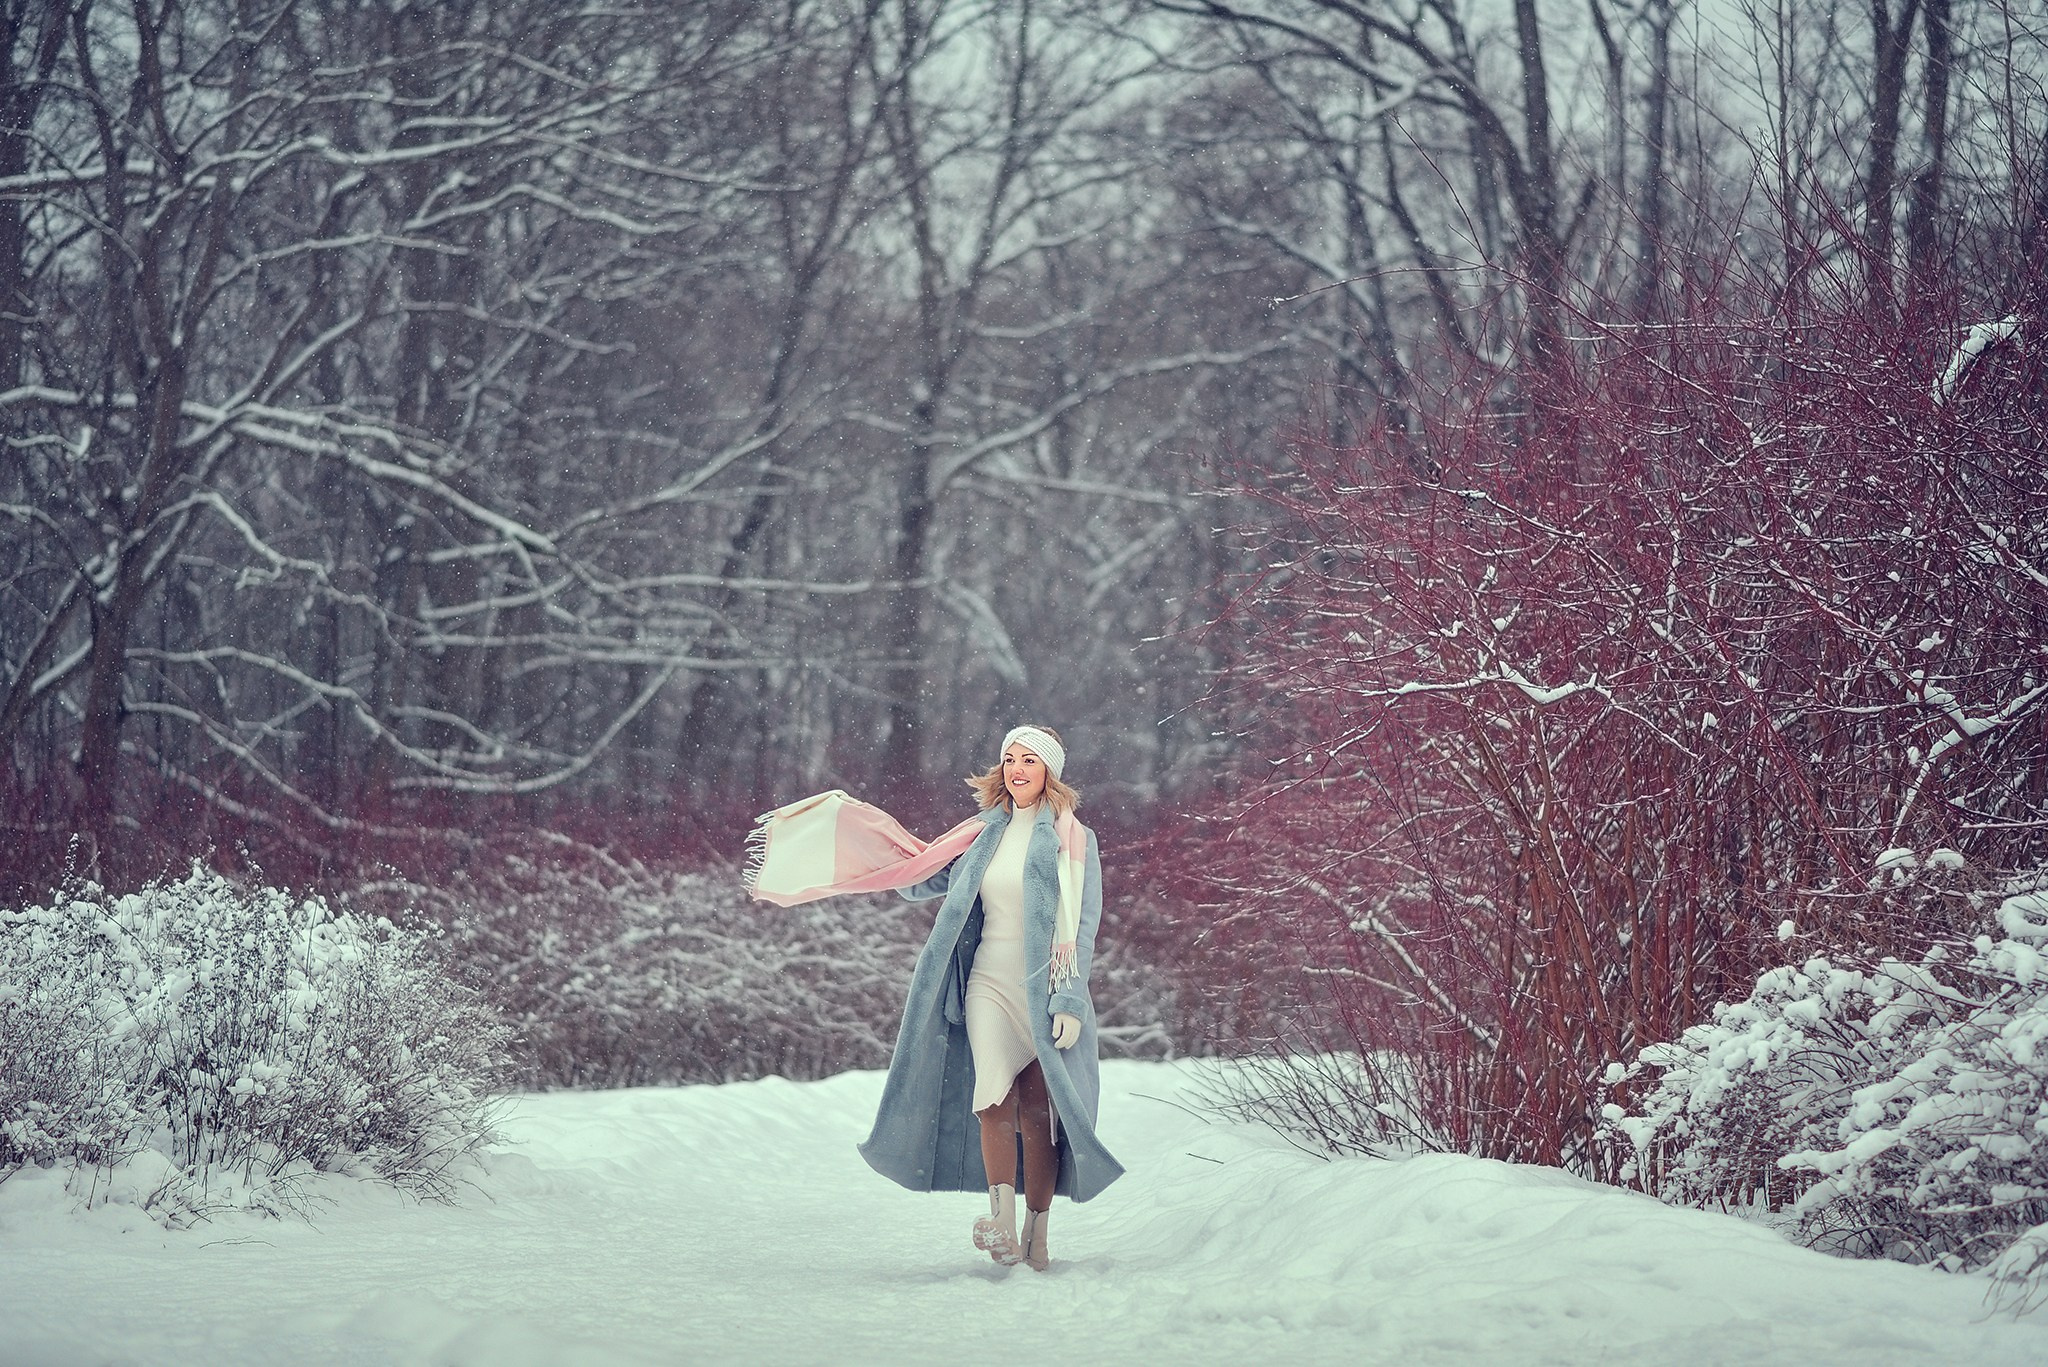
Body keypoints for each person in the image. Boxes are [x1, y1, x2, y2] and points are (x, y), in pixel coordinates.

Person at [743, 724, 1122, 1271]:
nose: (1017, 770)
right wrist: (865, 838)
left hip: (1043, 986)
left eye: (1029, 761)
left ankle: (1036, 1233)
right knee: (992, 1099)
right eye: (1010, 759)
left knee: (1038, 1113)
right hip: (987, 982)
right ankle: (1000, 1223)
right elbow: (918, 876)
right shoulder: (980, 833)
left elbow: (1082, 928)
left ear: (1050, 771)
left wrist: (1070, 1001)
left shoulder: (1075, 841)